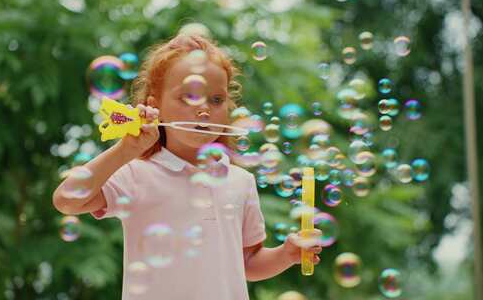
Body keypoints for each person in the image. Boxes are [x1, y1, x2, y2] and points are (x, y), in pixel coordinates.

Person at [53, 33, 322, 300]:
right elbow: (67, 200)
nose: (204, 109)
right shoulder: (137, 172)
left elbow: (248, 263)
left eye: (216, 99)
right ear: (154, 106)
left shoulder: (240, 181)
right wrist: (126, 149)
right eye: (189, 97)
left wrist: (286, 254)